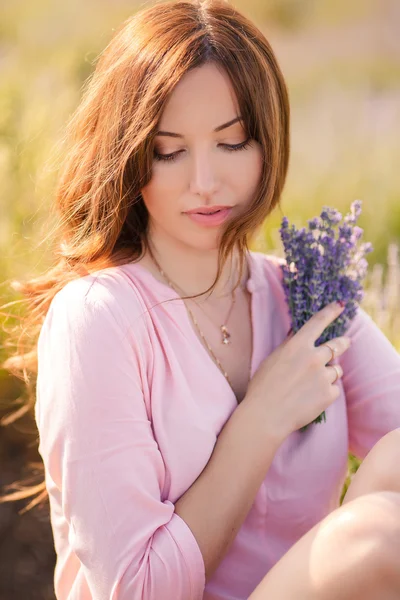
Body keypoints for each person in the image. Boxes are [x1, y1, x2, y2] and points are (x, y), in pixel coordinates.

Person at [2, 0, 400, 598]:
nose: (205, 182)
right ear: (129, 154)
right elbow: (135, 590)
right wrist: (260, 420)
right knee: (373, 540)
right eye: (170, 151)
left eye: (233, 143)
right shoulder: (99, 318)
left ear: (268, 142)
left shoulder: (305, 289)